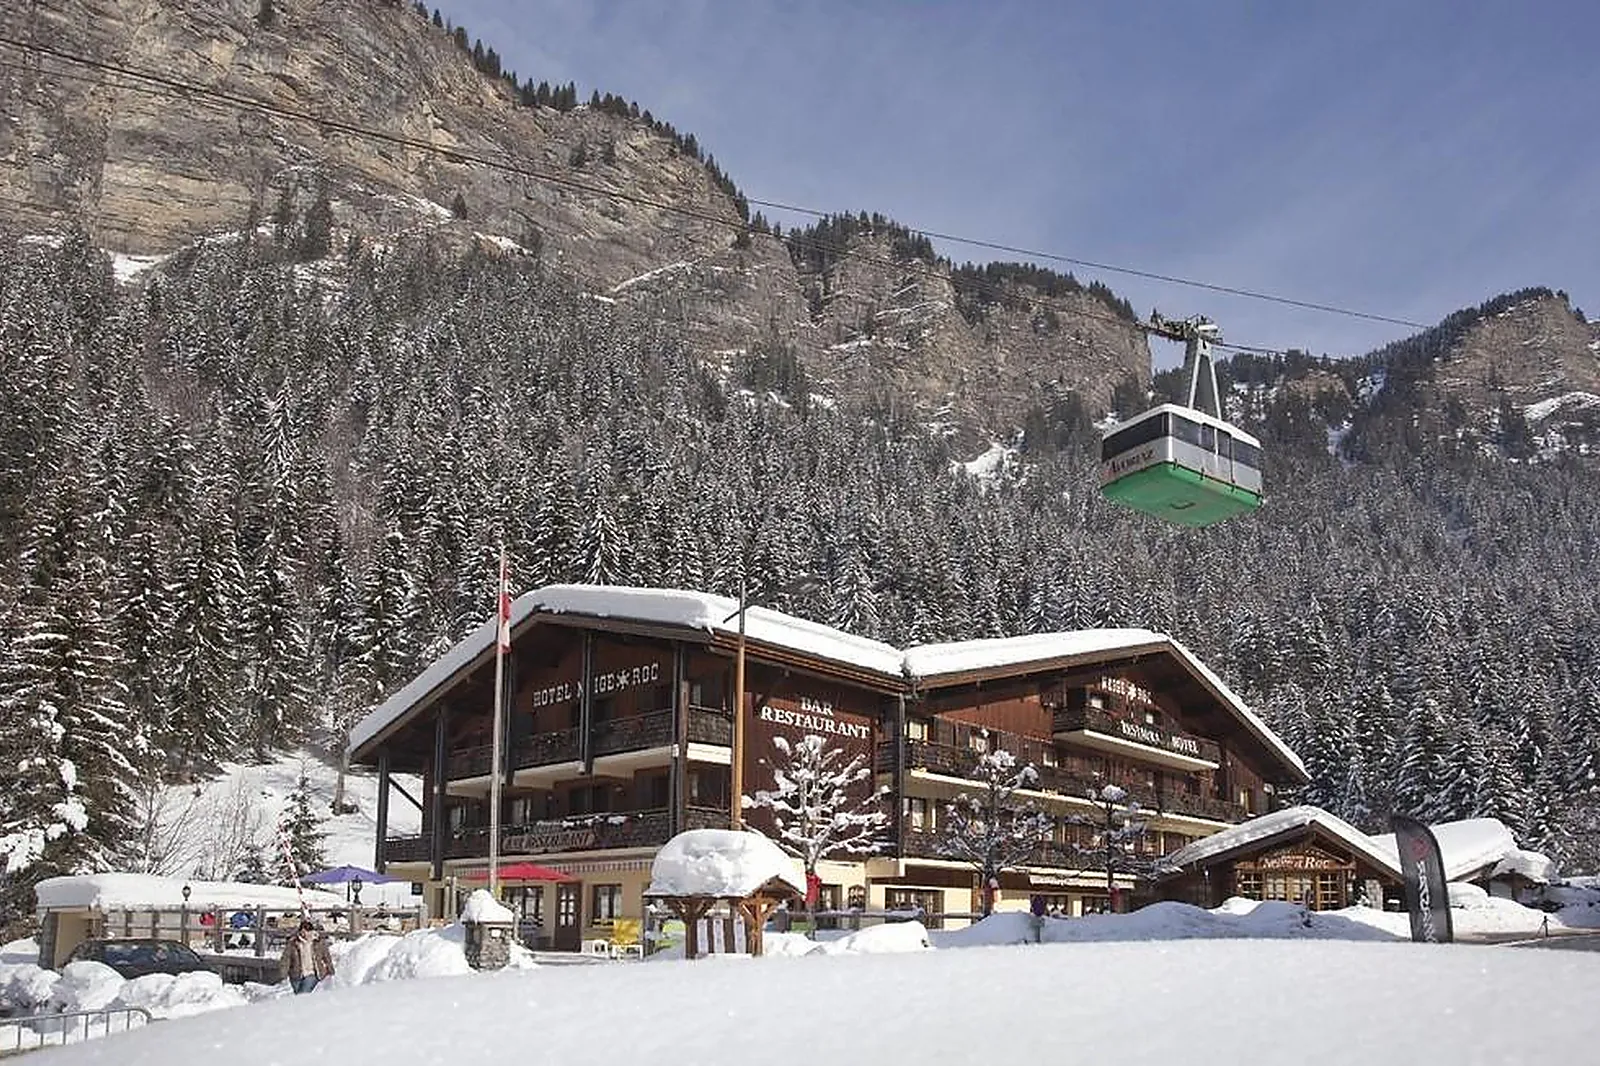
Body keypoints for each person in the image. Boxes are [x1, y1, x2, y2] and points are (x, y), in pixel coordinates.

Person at [280, 919, 334, 994]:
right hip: (296, 975)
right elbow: (286, 959)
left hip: (311, 973)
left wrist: (331, 970)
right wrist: (283, 973)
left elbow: (327, 957)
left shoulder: (318, 943)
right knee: (299, 996)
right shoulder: (293, 943)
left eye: (307, 931)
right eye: (302, 931)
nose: (305, 934)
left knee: (302, 995)